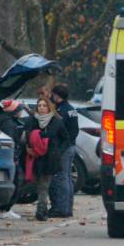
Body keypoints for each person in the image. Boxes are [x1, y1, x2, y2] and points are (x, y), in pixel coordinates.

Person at [22, 97, 69, 221]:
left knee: (44, 185)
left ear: (49, 107)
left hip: (49, 158)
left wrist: (58, 151)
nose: (42, 108)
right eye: (39, 106)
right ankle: (42, 208)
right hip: (34, 156)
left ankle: (41, 210)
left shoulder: (56, 121)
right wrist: (27, 146)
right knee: (34, 184)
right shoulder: (32, 120)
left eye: (44, 105)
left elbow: (66, 139)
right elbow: (25, 135)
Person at [47, 84, 79, 217]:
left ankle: (61, 209)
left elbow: (58, 129)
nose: (51, 97)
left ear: (57, 96)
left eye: (52, 94)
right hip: (71, 146)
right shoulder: (71, 109)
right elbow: (75, 130)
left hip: (63, 147)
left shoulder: (61, 111)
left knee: (61, 177)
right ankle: (67, 208)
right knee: (67, 177)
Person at [0, 100, 26, 220]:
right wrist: (15, 156)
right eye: (20, 109)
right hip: (10, 158)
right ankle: (5, 209)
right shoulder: (9, 124)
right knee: (15, 181)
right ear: (15, 110)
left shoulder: (1, 119)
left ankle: (3, 209)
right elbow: (11, 142)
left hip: (3, 157)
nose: (21, 112)